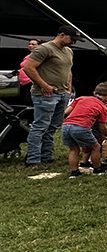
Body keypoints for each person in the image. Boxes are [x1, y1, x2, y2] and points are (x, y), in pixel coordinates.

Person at [22, 26, 77, 167]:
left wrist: (68, 88)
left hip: (62, 93)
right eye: (72, 38)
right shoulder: (44, 49)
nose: (73, 42)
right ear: (62, 35)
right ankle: (33, 158)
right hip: (45, 94)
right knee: (40, 126)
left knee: (53, 126)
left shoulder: (68, 51)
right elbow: (29, 67)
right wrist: (44, 85)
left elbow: (68, 70)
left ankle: (47, 155)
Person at [62, 82, 107, 178]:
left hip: (66, 125)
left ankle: (74, 172)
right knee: (96, 147)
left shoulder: (81, 98)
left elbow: (66, 112)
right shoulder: (102, 107)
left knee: (73, 149)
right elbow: (102, 126)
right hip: (81, 127)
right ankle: (97, 169)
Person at [18, 38, 41, 102]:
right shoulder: (28, 56)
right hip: (24, 82)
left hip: (31, 81)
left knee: (29, 100)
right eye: (29, 44)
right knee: (24, 100)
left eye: (33, 44)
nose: (31, 46)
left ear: (38, 46)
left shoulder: (38, 56)